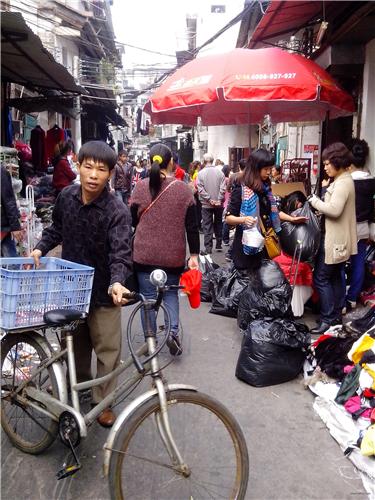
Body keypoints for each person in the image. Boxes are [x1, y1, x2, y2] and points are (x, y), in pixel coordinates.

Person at [30, 141, 132, 427]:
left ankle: (103, 402)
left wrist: (117, 282)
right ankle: (81, 388)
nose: (93, 175)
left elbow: (121, 252)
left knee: (108, 350)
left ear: (111, 173)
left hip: (103, 291)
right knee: (75, 346)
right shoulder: (66, 197)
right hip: (71, 289)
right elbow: (57, 229)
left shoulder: (117, 210)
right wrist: (40, 247)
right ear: (78, 166)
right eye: (88, 167)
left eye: (101, 169)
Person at [130, 143, 199, 356]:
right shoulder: (184, 189)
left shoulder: (140, 187)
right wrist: (194, 255)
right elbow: (192, 226)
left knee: (147, 298)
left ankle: (150, 341)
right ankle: (172, 333)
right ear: (171, 163)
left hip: (144, 255)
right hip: (173, 257)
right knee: (169, 295)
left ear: (150, 161)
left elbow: (132, 219)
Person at [308, 142, 357, 334]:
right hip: (336, 239)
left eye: (328, 164)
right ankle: (335, 315)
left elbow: (335, 210)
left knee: (321, 278)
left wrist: (314, 200)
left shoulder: (344, 183)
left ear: (338, 162)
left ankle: (328, 318)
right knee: (335, 277)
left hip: (334, 240)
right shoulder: (342, 180)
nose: (325, 167)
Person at [225, 149, 281, 271]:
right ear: (255, 168)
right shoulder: (241, 188)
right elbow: (228, 218)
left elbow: (271, 213)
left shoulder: (266, 188)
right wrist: (244, 219)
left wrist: (293, 218)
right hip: (247, 246)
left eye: (270, 169)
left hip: (265, 246)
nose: (269, 173)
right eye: (266, 169)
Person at [345, 139, 375, 311]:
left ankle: (342, 300)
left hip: (346, 227)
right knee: (358, 263)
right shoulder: (371, 181)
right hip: (363, 228)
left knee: (339, 263)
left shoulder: (347, 182)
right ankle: (353, 298)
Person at [197, 153, 226, 253]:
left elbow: (200, 189)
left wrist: (209, 199)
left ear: (204, 162)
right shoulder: (220, 173)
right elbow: (223, 188)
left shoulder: (200, 174)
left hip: (206, 204)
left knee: (207, 225)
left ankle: (208, 247)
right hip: (219, 204)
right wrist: (218, 199)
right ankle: (219, 244)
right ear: (213, 161)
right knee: (218, 223)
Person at [1, 165, 23, 256]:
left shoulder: (0, 172)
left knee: (12, 262)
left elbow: (9, 200)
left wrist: (15, 226)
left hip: (2, 226)